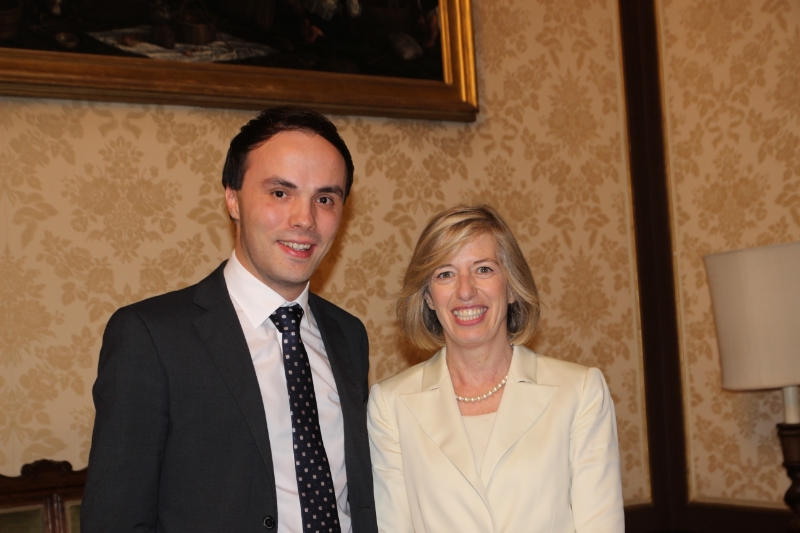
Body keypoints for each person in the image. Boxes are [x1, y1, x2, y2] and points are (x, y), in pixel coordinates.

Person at [82, 107, 379, 533]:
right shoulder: (151, 337)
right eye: (280, 193)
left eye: (325, 199)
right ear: (233, 199)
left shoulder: (348, 334)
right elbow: (116, 519)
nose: (305, 218)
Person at [367, 205, 624, 532]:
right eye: (445, 274)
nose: (465, 291)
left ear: (512, 286)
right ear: (428, 297)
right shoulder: (390, 405)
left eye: (484, 269)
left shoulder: (581, 392)